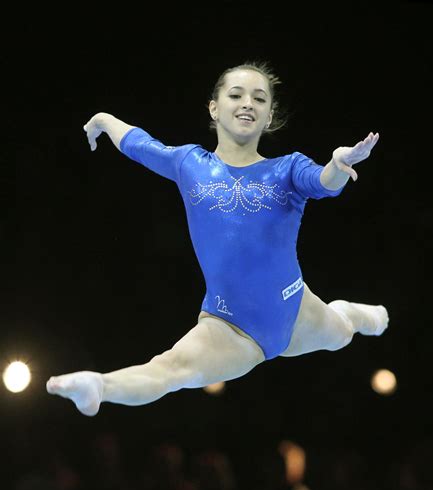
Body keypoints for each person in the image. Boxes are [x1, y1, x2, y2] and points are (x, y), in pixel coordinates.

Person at [46, 61, 388, 417]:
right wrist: (103, 119)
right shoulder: (189, 164)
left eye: (259, 98)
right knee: (169, 369)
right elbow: (140, 144)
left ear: (269, 116)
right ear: (214, 107)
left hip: (297, 308)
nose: (247, 104)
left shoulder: (287, 169)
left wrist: (338, 164)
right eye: (236, 95)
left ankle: (352, 313)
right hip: (231, 327)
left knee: (344, 333)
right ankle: (99, 385)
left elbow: (323, 182)